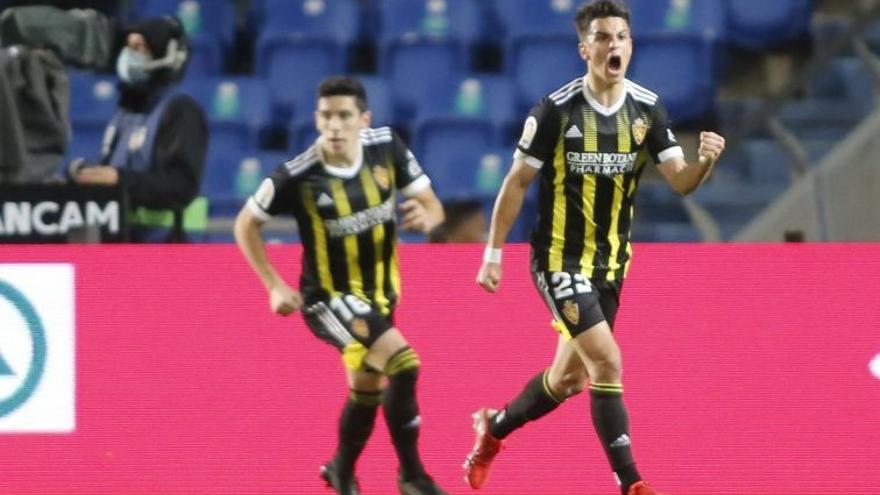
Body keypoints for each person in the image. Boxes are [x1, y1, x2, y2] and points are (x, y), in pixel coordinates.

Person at [463, 2, 725, 495]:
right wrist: (492, 253)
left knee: (568, 381)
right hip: (558, 259)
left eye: (622, 36)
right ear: (585, 49)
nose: (614, 46)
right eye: (603, 38)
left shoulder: (648, 108)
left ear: (631, 44)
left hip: (611, 263)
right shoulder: (555, 111)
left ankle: (492, 428)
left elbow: (682, 182)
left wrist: (705, 162)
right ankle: (631, 482)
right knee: (607, 361)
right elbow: (516, 183)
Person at [234, 76, 448, 495]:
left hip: (381, 296)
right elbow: (245, 224)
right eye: (326, 116)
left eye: (344, 116)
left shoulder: (387, 147)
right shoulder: (297, 175)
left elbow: (433, 204)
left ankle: (341, 470)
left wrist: (432, 219)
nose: (334, 125)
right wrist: (273, 285)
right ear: (316, 119)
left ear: (363, 119)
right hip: (329, 300)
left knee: (366, 390)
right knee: (404, 364)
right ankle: (412, 475)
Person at [71, 15, 207, 242]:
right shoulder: (124, 113)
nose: (128, 55)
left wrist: (119, 180)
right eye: (128, 46)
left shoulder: (180, 110)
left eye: (139, 47)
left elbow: (180, 185)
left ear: (164, 55)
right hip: (122, 244)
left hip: (164, 250)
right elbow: (114, 172)